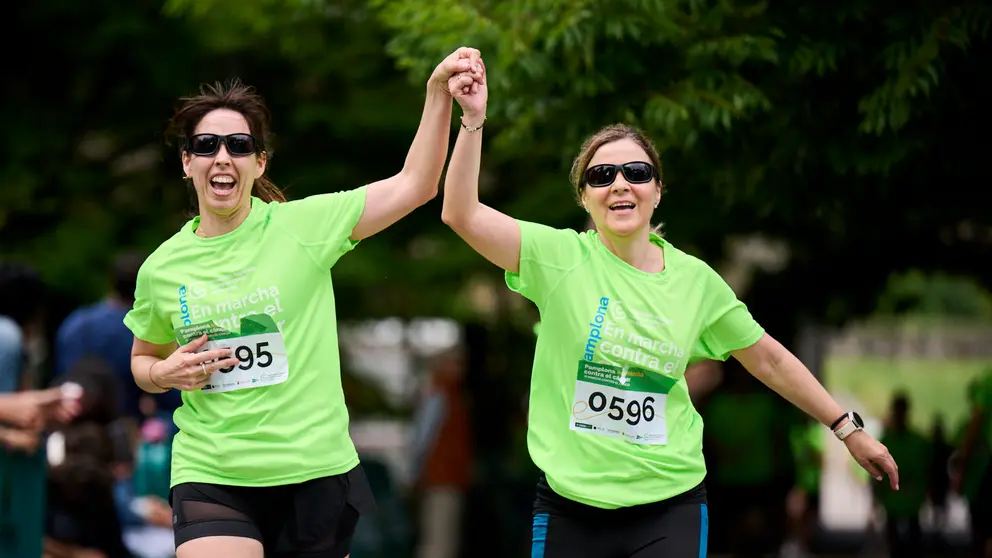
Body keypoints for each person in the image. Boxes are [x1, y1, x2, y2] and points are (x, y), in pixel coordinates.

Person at [439, 63, 899, 557]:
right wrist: (472, 119)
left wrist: (846, 429)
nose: (620, 183)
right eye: (601, 175)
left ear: (657, 192)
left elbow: (769, 360)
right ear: (584, 197)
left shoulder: (696, 282)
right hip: (569, 505)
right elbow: (460, 213)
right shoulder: (558, 258)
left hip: (668, 505)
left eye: (637, 173)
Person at [122, 47, 485, 558]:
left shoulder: (304, 227)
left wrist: (435, 95)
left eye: (238, 144)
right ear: (187, 163)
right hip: (213, 470)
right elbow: (142, 360)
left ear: (259, 161)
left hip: (313, 470)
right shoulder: (162, 267)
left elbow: (416, 185)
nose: (222, 156)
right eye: (206, 145)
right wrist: (165, 374)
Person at [55, 252, 183, 423]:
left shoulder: (75, 322)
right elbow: (166, 389)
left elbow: (60, 373)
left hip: (71, 422)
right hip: (121, 429)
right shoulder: (142, 332)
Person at [874, 393, 930, 558]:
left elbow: (928, 470)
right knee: (896, 545)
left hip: (912, 503)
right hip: (894, 502)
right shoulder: (885, 442)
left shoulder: (918, 442)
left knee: (913, 543)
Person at [954, 368, 992, 558]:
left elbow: (975, 427)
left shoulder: (988, 379)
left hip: (985, 473)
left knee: (982, 529)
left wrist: (961, 471)